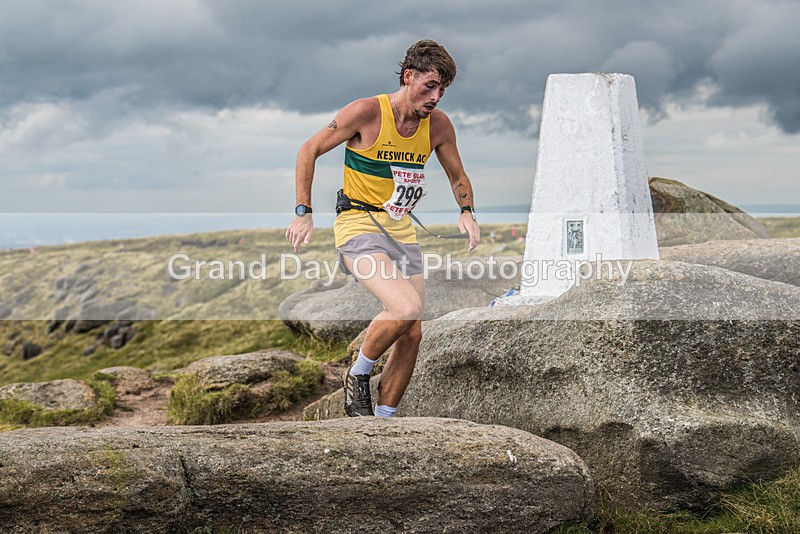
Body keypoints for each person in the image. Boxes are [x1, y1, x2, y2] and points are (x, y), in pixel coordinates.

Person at [285, 39, 480, 417]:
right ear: (409, 77)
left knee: (412, 332)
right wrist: (303, 211)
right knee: (405, 307)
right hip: (358, 224)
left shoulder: (437, 125)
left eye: (442, 90)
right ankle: (357, 374)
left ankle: (382, 420)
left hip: (401, 229)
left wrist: (467, 211)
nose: (436, 97)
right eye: (429, 86)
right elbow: (308, 149)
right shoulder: (366, 112)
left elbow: (458, 174)